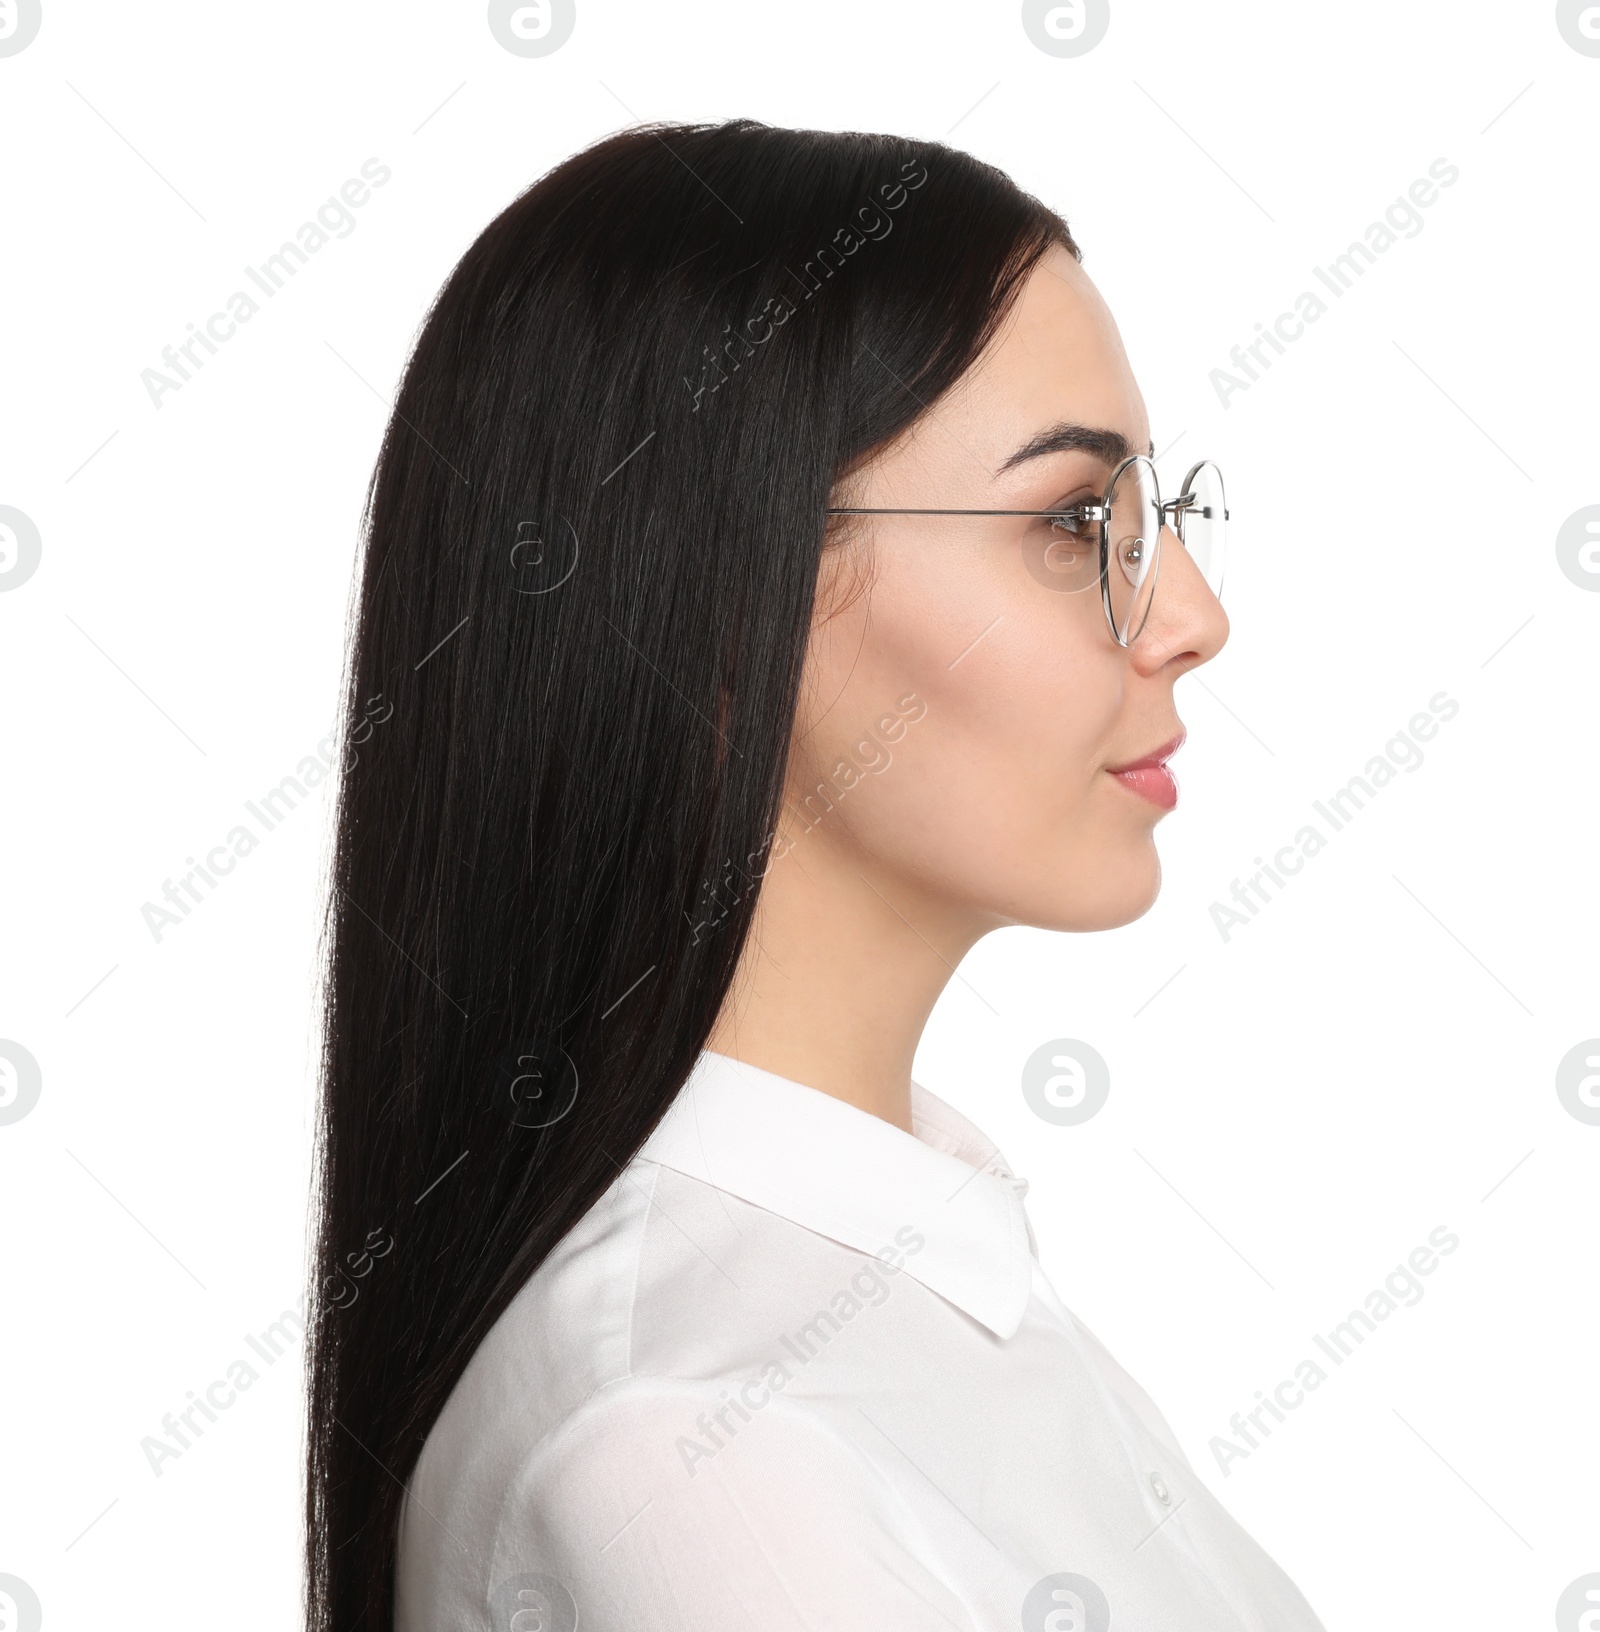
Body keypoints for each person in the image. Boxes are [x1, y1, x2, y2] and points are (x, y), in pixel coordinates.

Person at [305, 119, 1323, 1631]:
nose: (1190, 612)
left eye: (1148, 514)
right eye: (1068, 522)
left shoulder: (900, 1271)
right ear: (720, 603)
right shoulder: (711, 1459)